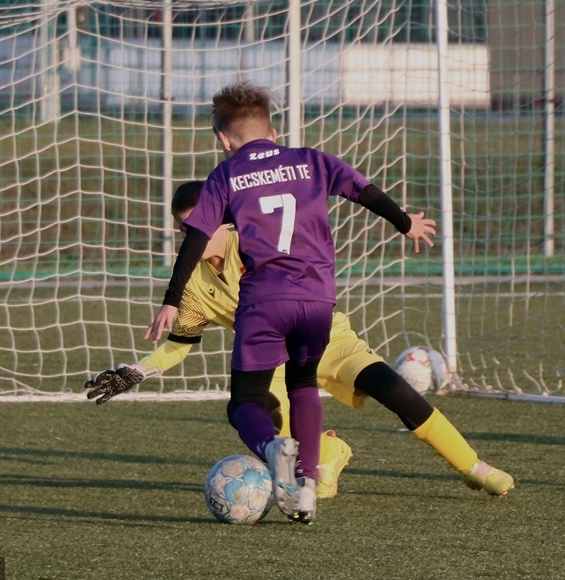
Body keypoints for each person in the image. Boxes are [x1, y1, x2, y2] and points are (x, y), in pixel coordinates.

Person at [87, 180, 515, 505]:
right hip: (270, 361)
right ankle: (329, 452)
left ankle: (472, 466)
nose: (192, 235)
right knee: (265, 423)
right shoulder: (193, 286)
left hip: (327, 337)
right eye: (185, 229)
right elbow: (180, 343)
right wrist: (135, 371)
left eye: (200, 225)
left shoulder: (258, 242)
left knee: (393, 389)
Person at [148, 82, 434, 524]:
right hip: (318, 300)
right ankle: (305, 490)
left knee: (245, 401)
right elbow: (366, 191)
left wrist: (172, 299)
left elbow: (197, 239)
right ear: (273, 130)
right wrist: (404, 223)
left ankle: (270, 447)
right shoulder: (312, 161)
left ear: (224, 139)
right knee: (303, 385)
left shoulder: (225, 175)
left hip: (265, 302)